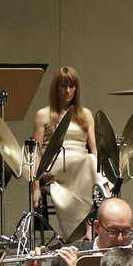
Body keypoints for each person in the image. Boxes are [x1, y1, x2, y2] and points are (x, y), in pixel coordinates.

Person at [31, 66, 101, 242]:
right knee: (89, 163)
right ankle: (105, 205)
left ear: (77, 88)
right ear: (56, 88)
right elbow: (35, 154)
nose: (67, 90)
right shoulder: (43, 115)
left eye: (72, 86)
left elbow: (94, 151)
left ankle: (88, 231)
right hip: (55, 165)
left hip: (83, 167)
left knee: (91, 161)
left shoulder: (86, 115)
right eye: (63, 86)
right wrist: (36, 188)